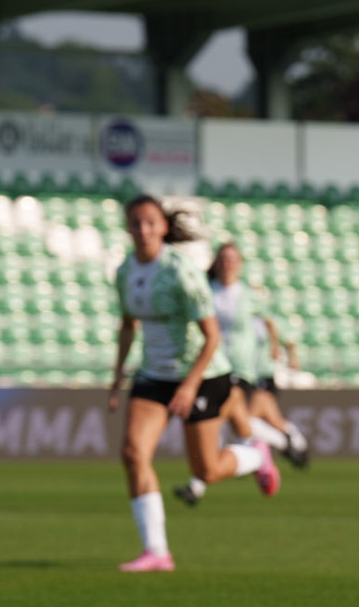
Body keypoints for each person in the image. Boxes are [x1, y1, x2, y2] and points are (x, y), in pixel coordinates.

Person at [108, 195, 278, 572]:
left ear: (163, 227)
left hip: (201, 375)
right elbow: (127, 325)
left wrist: (189, 384)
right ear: (128, 227)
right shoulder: (124, 272)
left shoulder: (181, 272)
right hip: (153, 376)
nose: (143, 230)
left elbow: (212, 336)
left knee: (207, 471)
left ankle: (257, 454)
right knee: (134, 453)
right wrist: (117, 376)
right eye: (135, 223)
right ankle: (157, 551)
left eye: (150, 222)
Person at [174, 242, 310, 507]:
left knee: (220, 416)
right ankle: (274, 445)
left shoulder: (248, 295)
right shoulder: (208, 290)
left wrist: (276, 347)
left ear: (240, 264)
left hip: (238, 368)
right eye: (223, 259)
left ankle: (199, 483)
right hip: (210, 365)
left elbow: (271, 320)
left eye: (233, 259)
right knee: (228, 423)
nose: (228, 264)